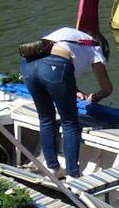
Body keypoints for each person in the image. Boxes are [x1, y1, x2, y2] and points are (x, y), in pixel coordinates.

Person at [20, 26, 113, 178]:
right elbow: (107, 88)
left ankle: (53, 169)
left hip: (28, 64)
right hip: (54, 66)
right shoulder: (94, 45)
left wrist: (75, 90)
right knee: (69, 122)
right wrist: (95, 97)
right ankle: (72, 174)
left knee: (45, 118)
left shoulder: (70, 37)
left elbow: (63, 68)